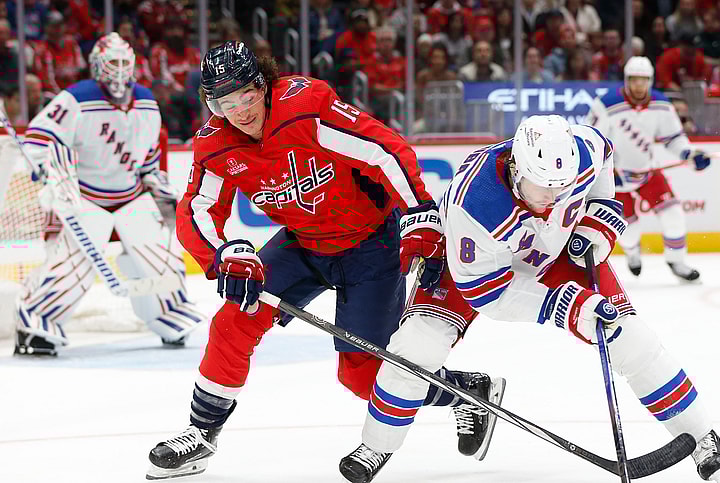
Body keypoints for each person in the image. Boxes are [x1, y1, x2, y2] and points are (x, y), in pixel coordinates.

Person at [144, 41, 496, 480]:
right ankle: (200, 435)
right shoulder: (215, 145)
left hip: (370, 244)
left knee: (363, 378)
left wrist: (418, 209)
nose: (240, 111)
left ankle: (465, 392)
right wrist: (223, 253)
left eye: (247, 95)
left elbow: (382, 150)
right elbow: (197, 207)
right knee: (234, 320)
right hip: (303, 244)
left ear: (264, 84)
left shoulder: (305, 108)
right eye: (224, 101)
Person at [339, 114, 720, 483]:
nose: (552, 198)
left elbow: (604, 154)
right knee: (416, 346)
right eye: (542, 188)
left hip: (555, 251)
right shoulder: (476, 205)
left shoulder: (580, 151)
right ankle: (377, 444)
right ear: (516, 168)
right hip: (477, 265)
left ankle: (704, 439)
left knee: (631, 339)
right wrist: (563, 308)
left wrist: (598, 216)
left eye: (561, 188)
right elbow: (487, 294)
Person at [13, 33, 202, 357]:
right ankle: (37, 322)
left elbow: (148, 154)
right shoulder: (77, 97)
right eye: (111, 63)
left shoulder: (145, 101)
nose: (118, 70)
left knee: (162, 261)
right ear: (97, 65)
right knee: (73, 268)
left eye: (124, 63)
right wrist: (43, 165)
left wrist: (153, 177)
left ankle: (169, 315)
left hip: (131, 194)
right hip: (86, 196)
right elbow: (39, 136)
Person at [587, 56, 711, 281]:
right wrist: (604, 168)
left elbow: (674, 138)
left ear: (650, 81)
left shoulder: (661, 105)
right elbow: (590, 139)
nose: (638, 86)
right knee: (627, 230)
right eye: (634, 80)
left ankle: (677, 261)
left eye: (643, 81)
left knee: (673, 214)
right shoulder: (606, 104)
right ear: (626, 80)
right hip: (615, 178)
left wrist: (689, 154)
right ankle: (633, 252)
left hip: (647, 171)